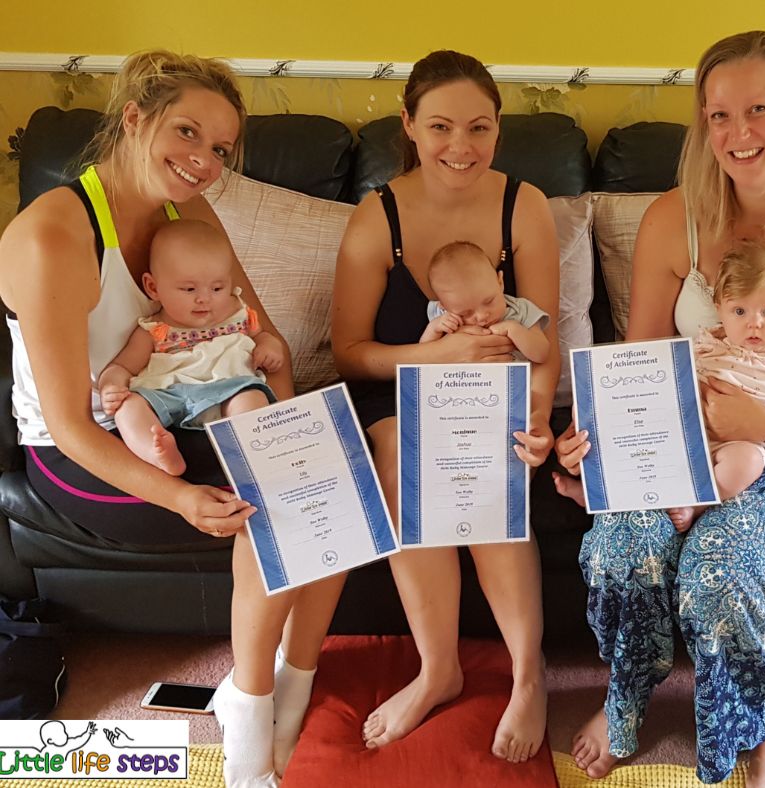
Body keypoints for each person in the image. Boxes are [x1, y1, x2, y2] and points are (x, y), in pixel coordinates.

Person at [552, 31, 765, 787]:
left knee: (721, 564)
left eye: (758, 110)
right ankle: (624, 698)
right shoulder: (673, 219)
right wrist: (592, 445)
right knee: (622, 545)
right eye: (718, 116)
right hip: (680, 431)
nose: (738, 134)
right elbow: (638, 370)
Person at [0, 51, 346, 787]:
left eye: (220, 148)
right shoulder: (51, 236)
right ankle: (249, 724)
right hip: (87, 450)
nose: (204, 162)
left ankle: (290, 685)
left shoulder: (189, 211)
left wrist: (284, 427)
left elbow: (259, 336)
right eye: (187, 132)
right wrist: (183, 497)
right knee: (279, 499)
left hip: (193, 416)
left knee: (334, 471)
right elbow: (70, 428)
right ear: (133, 117)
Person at [332, 49, 560, 764]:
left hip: (498, 394)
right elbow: (350, 352)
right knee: (403, 457)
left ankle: (529, 675)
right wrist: (437, 356)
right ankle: (439, 669)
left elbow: (544, 341)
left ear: (498, 130)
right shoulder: (378, 217)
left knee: (491, 464)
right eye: (440, 127)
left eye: (479, 128)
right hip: (402, 391)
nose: (460, 146)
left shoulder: (523, 205)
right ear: (408, 124)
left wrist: (537, 419)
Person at [99, 220, 281, 476]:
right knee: (129, 408)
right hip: (168, 393)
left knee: (252, 398)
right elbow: (122, 366)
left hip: (230, 388)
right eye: (189, 289)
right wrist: (111, 387)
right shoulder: (154, 330)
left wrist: (269, 348)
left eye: (217, 288)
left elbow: (263, 336)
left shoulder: (238, 313)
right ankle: (156, 452)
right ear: (153, 287)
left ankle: (250, 457)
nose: (204, 298)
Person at [667, 240, 765, 532]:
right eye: (740, 311)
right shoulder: (708, 344)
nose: (755, 324)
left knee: (748, 462)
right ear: (720, 311)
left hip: (740, 444)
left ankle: (700, 502)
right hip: (691, 432)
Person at [420, 240, 551, 363]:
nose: (482, 317)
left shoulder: (520, 310)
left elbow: (542, 354)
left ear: (500, 282)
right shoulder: (445, 320)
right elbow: (422, 360)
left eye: (489, 301)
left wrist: (515, 330)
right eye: (465, 313)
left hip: (509, 378)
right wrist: (433, 330)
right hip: (459, 379)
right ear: (443, 306)